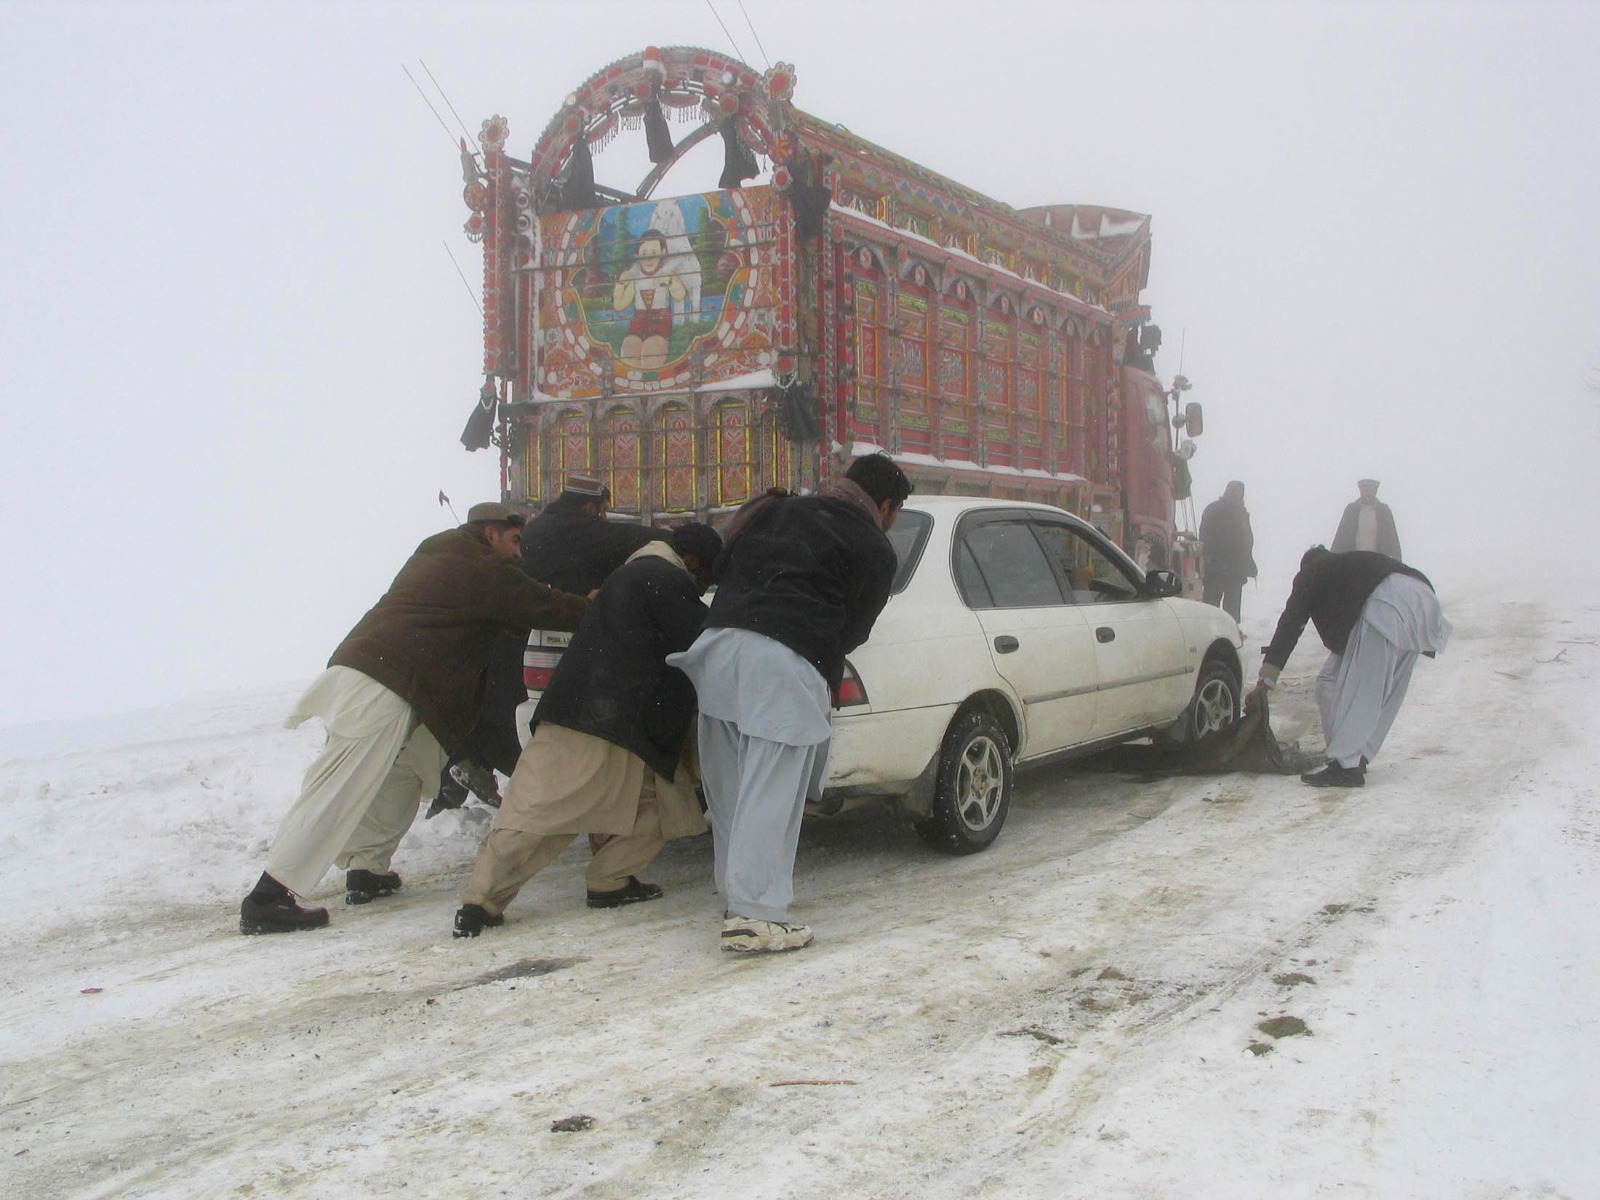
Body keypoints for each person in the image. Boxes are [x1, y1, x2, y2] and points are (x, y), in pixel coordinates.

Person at [239, 503, 589, 934]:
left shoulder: (439, 553)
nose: (519, 554)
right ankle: (268, 895)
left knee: (397, 776)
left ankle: (367, 868)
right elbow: (538, 605)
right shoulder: (478, 566)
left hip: (389, 678)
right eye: (514, 541)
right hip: (384, 680)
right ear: (489, 534)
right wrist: (593, 607)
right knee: (338, 786)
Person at [668, 453, 910, 954]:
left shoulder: (778, 512)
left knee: (732, 788)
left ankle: (738, 896)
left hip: (718, 648)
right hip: (782, 658)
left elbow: (726, 562)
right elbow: (855, 630)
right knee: (772, 789)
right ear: (885, 506)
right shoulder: (874, 547)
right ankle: (755, 914)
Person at [452, 523, 723, 937]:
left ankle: (603, 882)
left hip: (591, 714)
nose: (702, 586)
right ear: (691, 560)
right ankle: (484, 901)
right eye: (705, 577)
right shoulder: (663, 577)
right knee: (548, 816)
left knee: (630, 807)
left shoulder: (629, 575)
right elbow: (703, 643)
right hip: (608, 719)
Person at [432, 475, 668, 812]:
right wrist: (689, 541)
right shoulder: (576, 528)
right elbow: (633, 537)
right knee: (522, 725)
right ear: (588, 507)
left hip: (504, 642)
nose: (601, 518)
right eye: (600, 512)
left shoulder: (541, 527)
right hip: (529, 641)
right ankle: (518, 795)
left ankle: (465, 773)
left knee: (492, 715)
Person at [1248, 545, 1451, 788]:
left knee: (1363, 690)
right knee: (1356, 685)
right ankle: (1357, 754)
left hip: (1387, 602)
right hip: (1423, 599)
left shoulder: (1312, 573)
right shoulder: (1348, 568)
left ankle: (1346, 766)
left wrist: (1266, 680)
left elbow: (1290, 625)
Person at [1199, 480, 1256, 622]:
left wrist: (1248, 562)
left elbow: (1245, 539)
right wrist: (1213, 560)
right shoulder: (1215, 510)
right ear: (1228, 491)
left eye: (1241, 491)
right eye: (1235, 490)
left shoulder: (1242, 513)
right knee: (1211, 608)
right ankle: (1208, 634)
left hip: (1236, 570)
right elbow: (1205, 537)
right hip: (1217, 569)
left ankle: (1231, 633)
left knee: (1232, 611)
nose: (1239, 494)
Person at [1331, 478, 1402, 560]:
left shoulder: (1384, 511)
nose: (1367, 493)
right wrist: (1333, 559)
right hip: (1353, 559)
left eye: (1369, 490)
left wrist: (1397, 560)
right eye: (1364, 490)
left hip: (1378, 561)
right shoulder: (1351, 510)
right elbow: (1340, 535)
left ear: (1375, 491)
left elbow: (1392, 537)